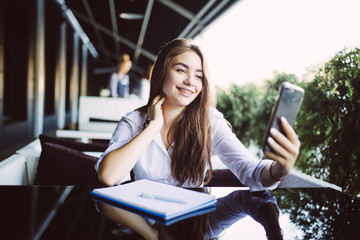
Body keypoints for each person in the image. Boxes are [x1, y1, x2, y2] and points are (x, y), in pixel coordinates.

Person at [96, 37, 300, 188]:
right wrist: (154, 126)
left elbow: (249, 170)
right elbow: (109, 176)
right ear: (161, 73)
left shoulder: (210, 122)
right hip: (144, 222)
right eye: (181, 70)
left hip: (193, 227)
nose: (190, 82)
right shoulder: (133, 121)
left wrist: (279, 170)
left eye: (199, 76)